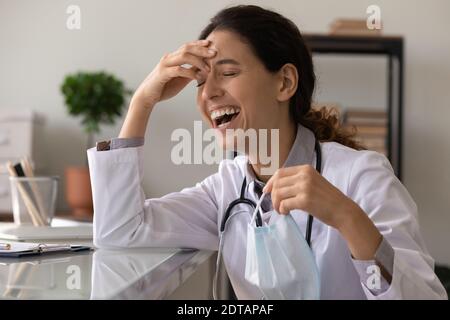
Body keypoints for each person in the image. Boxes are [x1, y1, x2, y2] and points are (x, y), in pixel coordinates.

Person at [87, 5, 447, 299]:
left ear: (285, 82)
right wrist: (142, 102)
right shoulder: (226, 189)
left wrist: (347, 217)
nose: (207, 93)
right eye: (199, 82)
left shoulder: (361, 175)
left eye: (227, 73)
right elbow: (120, 233)